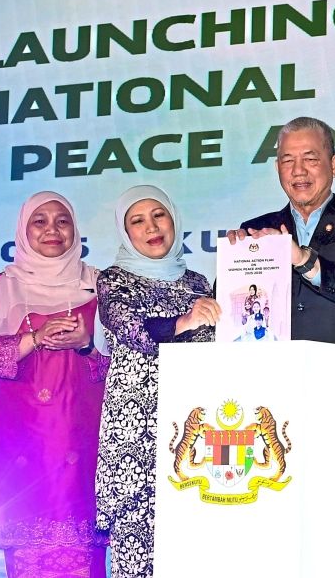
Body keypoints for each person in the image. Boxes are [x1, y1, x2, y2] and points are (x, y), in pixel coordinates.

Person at [227, 116, 335, 573]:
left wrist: (302, 258)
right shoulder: (255, 230)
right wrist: (236, 271)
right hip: (274, 404)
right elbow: (243, 314)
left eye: (310, 158)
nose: (298, 170)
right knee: (276, 526)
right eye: (287, 160)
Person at [0, 191, 108, 577]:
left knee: (84, 549)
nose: (52, 230)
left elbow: (123, 361)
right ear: (23, 232)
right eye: (39, 221)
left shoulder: (101, 285)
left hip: (83, 432)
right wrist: (33, 339)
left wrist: (88, 346)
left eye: (62, 221)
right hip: (23, 437)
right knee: (29, 550)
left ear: (75, 230)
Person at [94, 185, 221, 578]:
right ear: (125, 232)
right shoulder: (114, 280)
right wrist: (186, 321)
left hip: (195, 431)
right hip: (137, 436)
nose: (152, 227)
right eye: (138, 220)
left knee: (195, 554)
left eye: (159, 215)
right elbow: (131, 330)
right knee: (137, 556)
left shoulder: (200, 283)